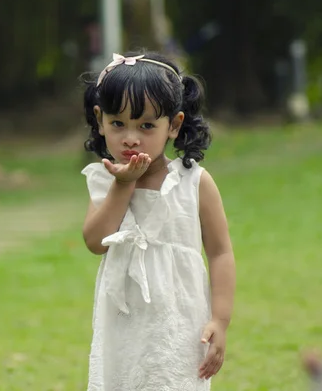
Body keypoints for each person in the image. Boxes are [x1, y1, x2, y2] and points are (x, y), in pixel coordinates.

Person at [80, 51, 236, 390]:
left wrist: (220, 320)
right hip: (122, 321)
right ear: (100, 119)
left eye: (146, 125)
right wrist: (123, 185)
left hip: (178, 321)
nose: (131, 138)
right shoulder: (105, 180)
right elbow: (95, 242)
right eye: (117, 123)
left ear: (174, 125)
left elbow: (221, 252)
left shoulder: (194, 182)